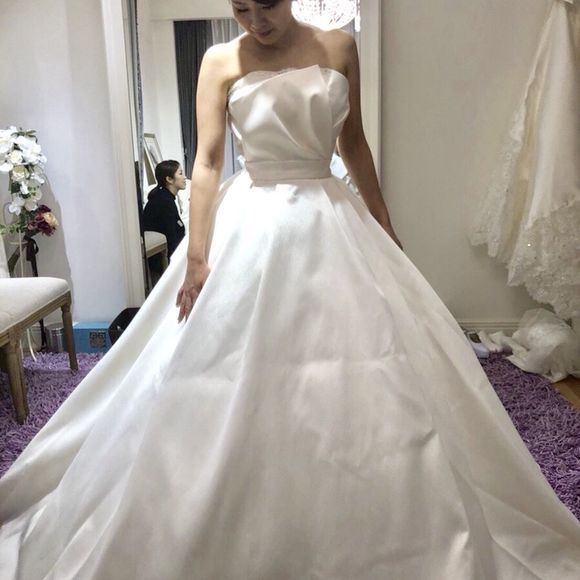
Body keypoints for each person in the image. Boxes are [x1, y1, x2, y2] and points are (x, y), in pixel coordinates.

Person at [1, 1, 580, 578]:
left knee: (368, 363)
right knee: (212, 366)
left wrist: (384, 223)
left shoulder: (339, 47)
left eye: (269, 5)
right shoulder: (219, 60)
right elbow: (207, 162)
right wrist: (197, 257)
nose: (256, 20)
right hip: (251, 220)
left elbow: (354, 144)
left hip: (329, 214)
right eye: (241, 7)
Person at [143, 159, 186, 259]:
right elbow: (172, 239)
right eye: (180, 174)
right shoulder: (164, 202)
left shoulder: (164, 197)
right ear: (169, 179)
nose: (184, 177)